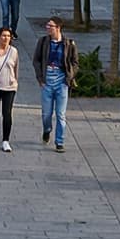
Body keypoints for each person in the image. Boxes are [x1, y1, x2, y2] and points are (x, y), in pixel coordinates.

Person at [33, 16, 77, 151]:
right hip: (47, 79)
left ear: (58, 28)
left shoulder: (68, 43)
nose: (48, 28)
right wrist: (40, 78)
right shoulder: (43, 42)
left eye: (50, 26)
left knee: (60, 114)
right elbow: (36, 60)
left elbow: (75, 62)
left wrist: (69, 77)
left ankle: (59, 141)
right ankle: (47, 129)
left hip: (61, 80)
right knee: (46, 114)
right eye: (47, 26)